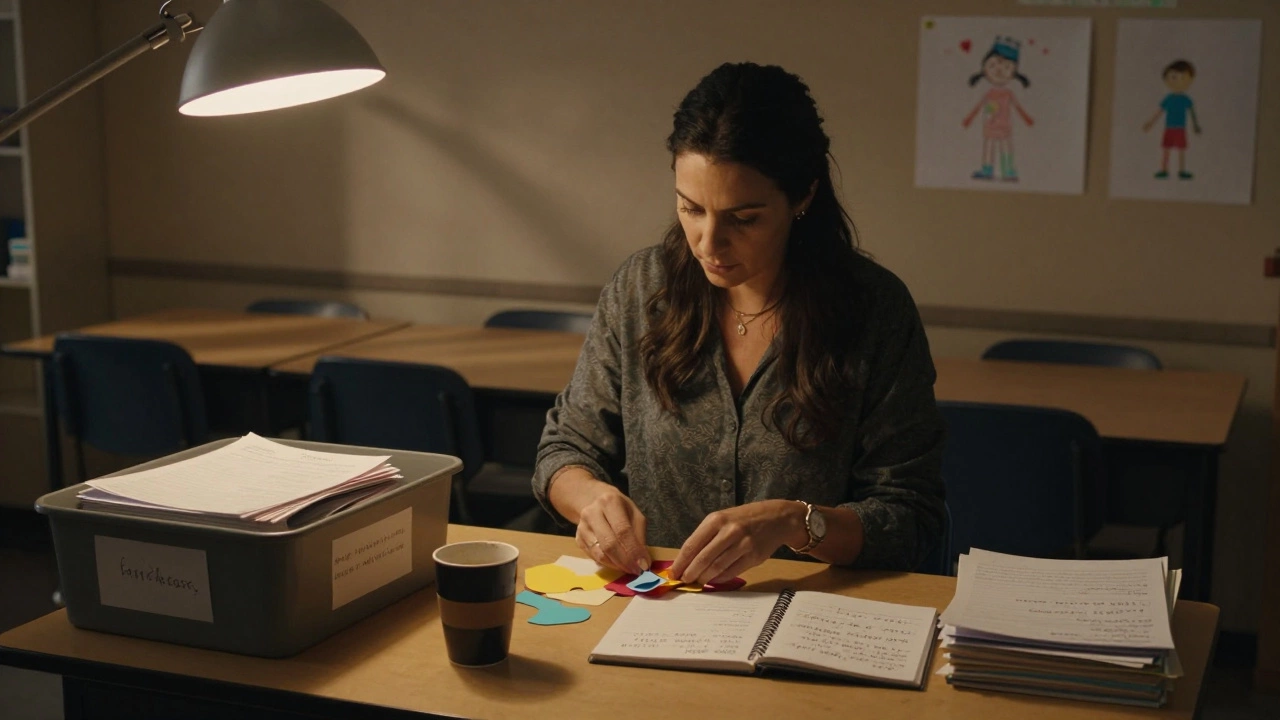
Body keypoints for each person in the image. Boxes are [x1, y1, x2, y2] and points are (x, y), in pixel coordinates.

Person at [531, 62, 945, 587]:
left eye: (743, 218)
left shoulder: (874, 310)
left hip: (808, 613)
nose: (707, 242)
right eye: (691, 208)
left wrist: (796, 521)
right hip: (659, 610)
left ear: (803, 197)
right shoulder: (641, 290)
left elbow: (910, 518)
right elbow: (564, 448)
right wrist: (590, 496)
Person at [962, 36, 1034, 182]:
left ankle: (1008, 170)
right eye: (994, 65)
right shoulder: (988, 94)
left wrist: (1027, 118)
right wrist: (969, 119)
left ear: (1014, 72)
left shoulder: (1008, 94)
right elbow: (978, 107)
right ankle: (987, 170)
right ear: (985, 66)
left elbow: (1018, 107)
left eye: (1007, 67)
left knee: (1005, 146)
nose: (999, 71)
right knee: (988, 145)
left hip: (1004, 126)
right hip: (990, 124)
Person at [1141, 59, 1202, 180]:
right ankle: (1164, 170)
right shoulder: (1168, 99)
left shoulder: (1186, 99)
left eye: (1182, 78)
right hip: (1169, 128)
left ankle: (1181, 170)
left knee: (1181, 149)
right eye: (1173, 77)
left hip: (1180, 128)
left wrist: (1195, 125)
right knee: (1166, 149)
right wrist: (1150, 123)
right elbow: (1159, 112)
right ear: (1166, 79)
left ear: (1190, 80)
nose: (1178, 81)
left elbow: (1192, 113)